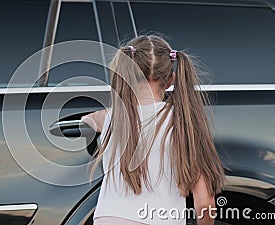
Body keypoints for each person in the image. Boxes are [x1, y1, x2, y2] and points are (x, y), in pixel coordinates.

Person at [82, 35, 225, 225]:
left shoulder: (111, 118)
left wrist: (87, 120)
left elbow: (91, 119)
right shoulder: (183, 125)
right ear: (171, 79)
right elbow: (205, 202)